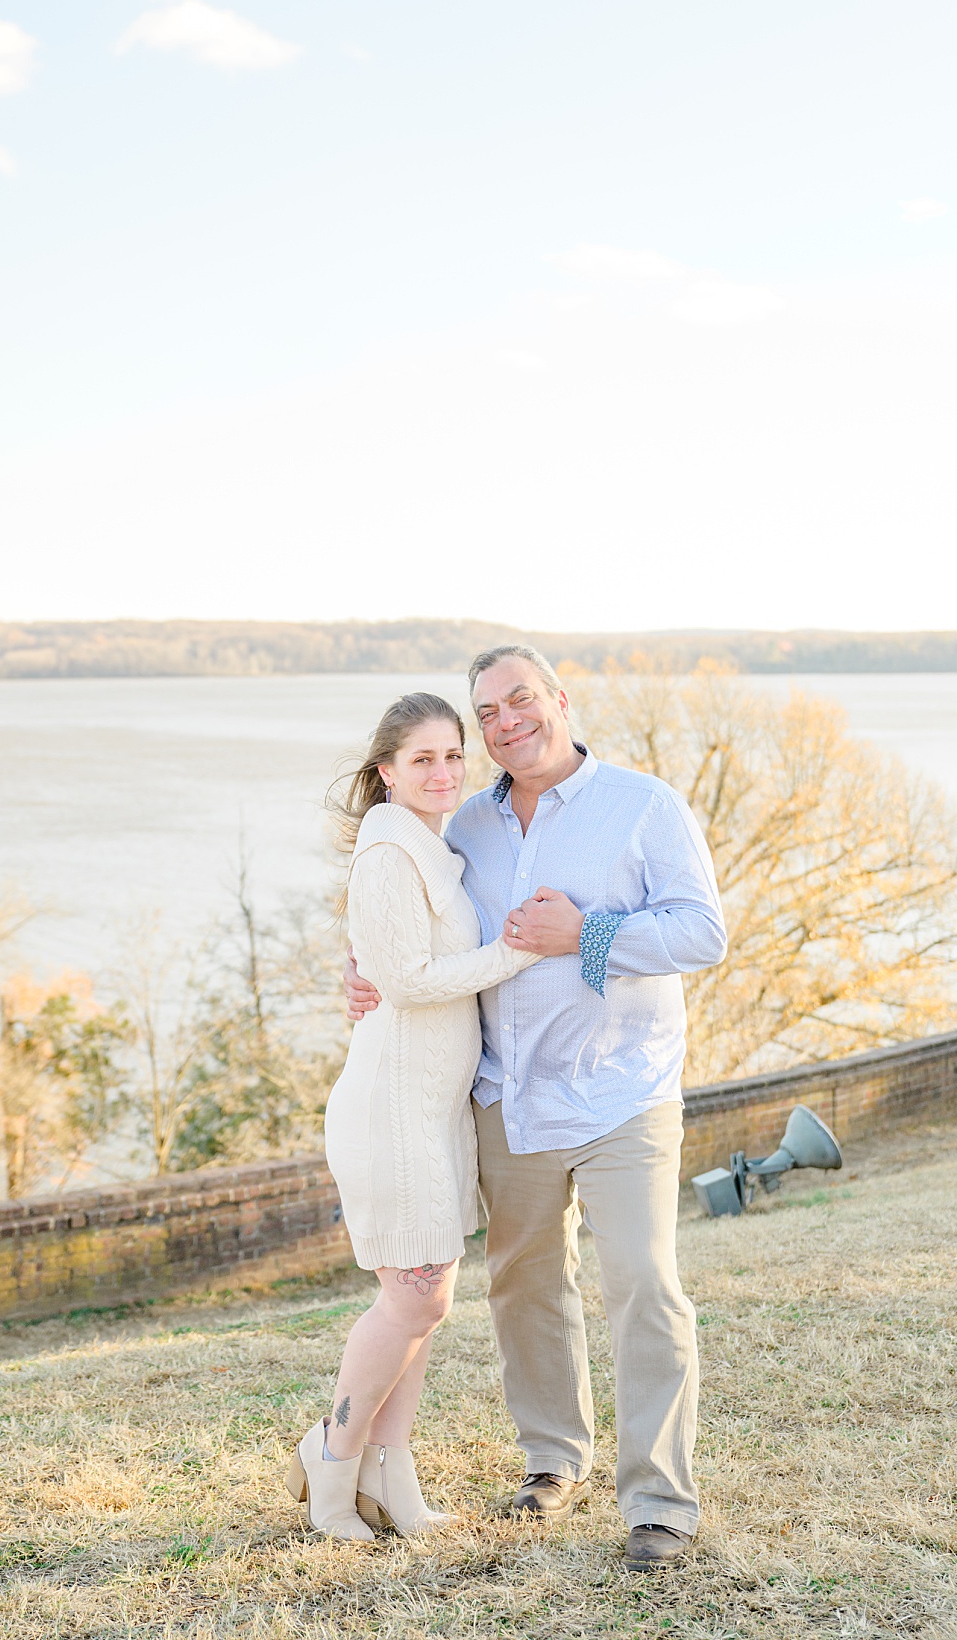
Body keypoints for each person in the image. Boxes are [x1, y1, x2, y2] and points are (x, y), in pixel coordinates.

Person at [343, 644, 726, 1572]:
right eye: (489, 713)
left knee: (642, 1281)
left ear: (559, 700)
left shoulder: (643, 805)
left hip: (619, 1088)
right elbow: (403, 922)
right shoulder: (462, 822)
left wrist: (588, 934)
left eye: (522, 700)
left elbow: (701, 931)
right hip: (505, 1092)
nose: (507, 720)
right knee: (523, 1285)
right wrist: (361, 975)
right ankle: (553, 1461)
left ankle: (660, 1505)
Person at [287, 693, 575, 1541]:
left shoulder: (433, 847)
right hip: (392, 1109)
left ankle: (394, 1479)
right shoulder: (387, 854)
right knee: (409, 1300)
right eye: (423, 760)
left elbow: (395, 960)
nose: (444, 773)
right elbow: (409, 977)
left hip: (435, 1109)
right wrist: (517, 953)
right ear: (386, 771)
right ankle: (332, 1466)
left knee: (427, 1299)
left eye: (454, 755)